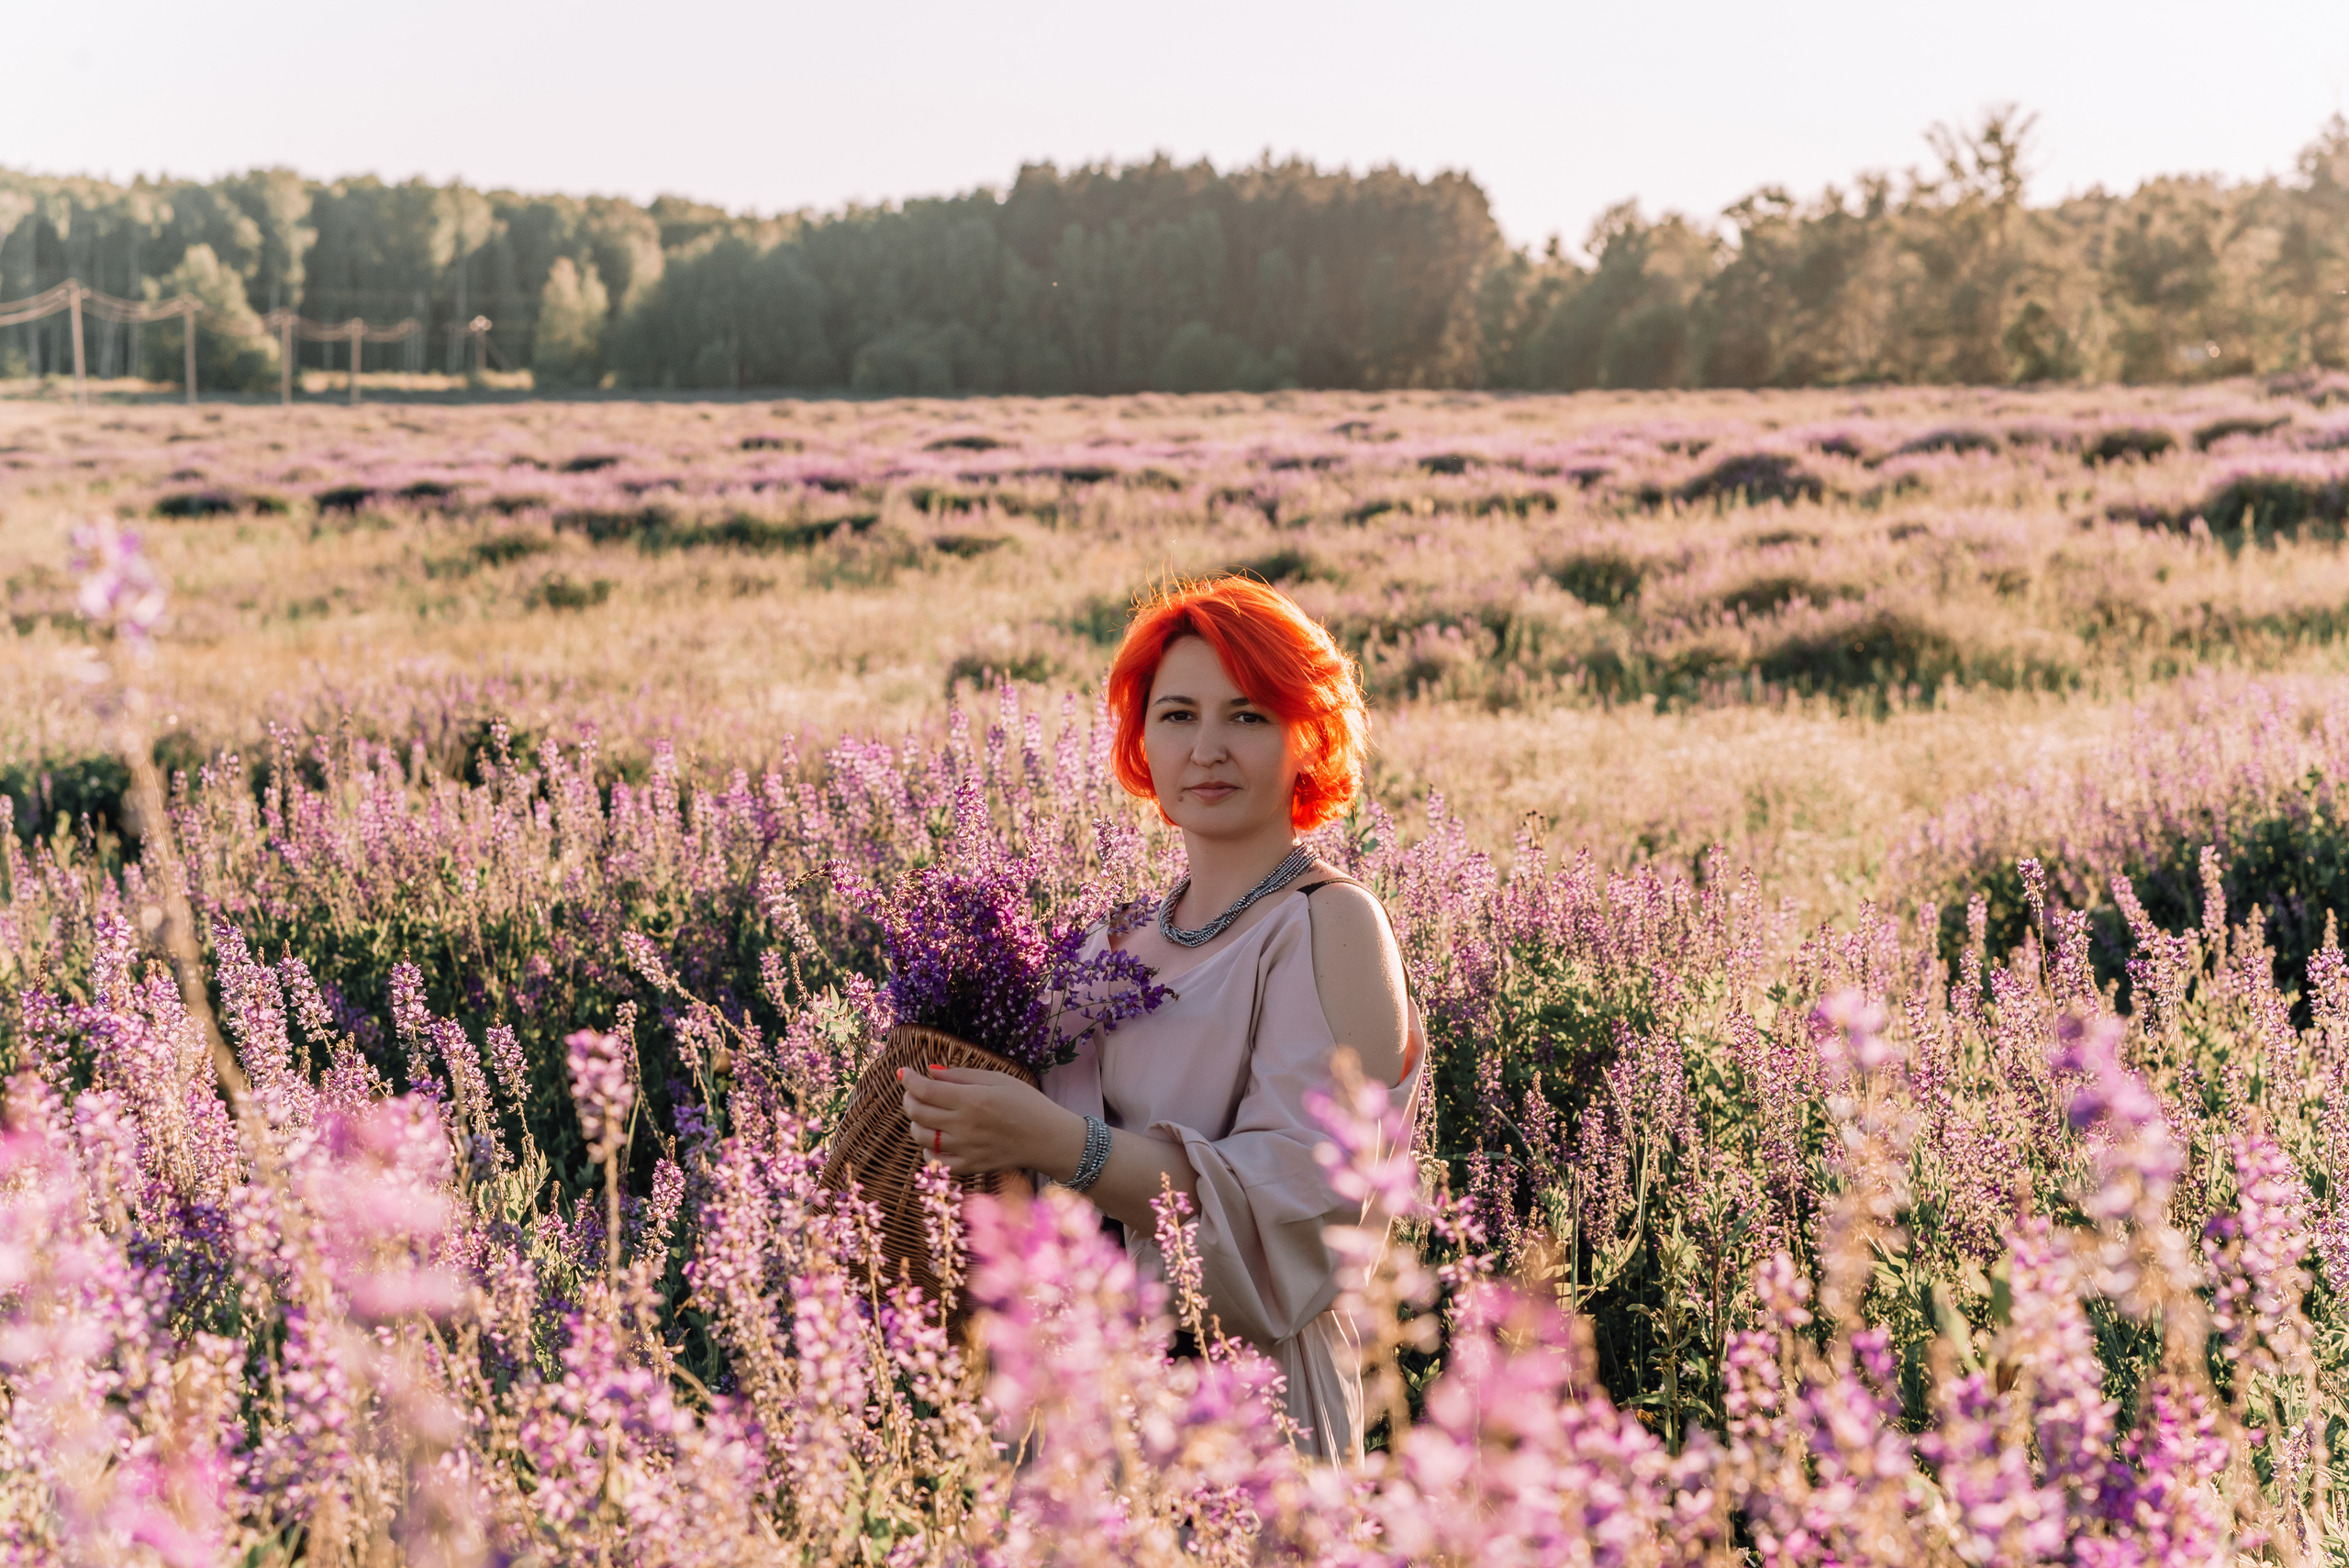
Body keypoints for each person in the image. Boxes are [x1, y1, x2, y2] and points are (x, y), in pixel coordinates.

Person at [898, 575, 1425, 1462]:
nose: (1207, 749)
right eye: (1177, 714)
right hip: (1078, 1408)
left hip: (1246, 1415)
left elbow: (1297, 1211)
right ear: (1142, 737)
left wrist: (1056, 1140)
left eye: (1248, 715)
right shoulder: (1108, 945)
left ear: (1309, 736)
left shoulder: (1331, 922)